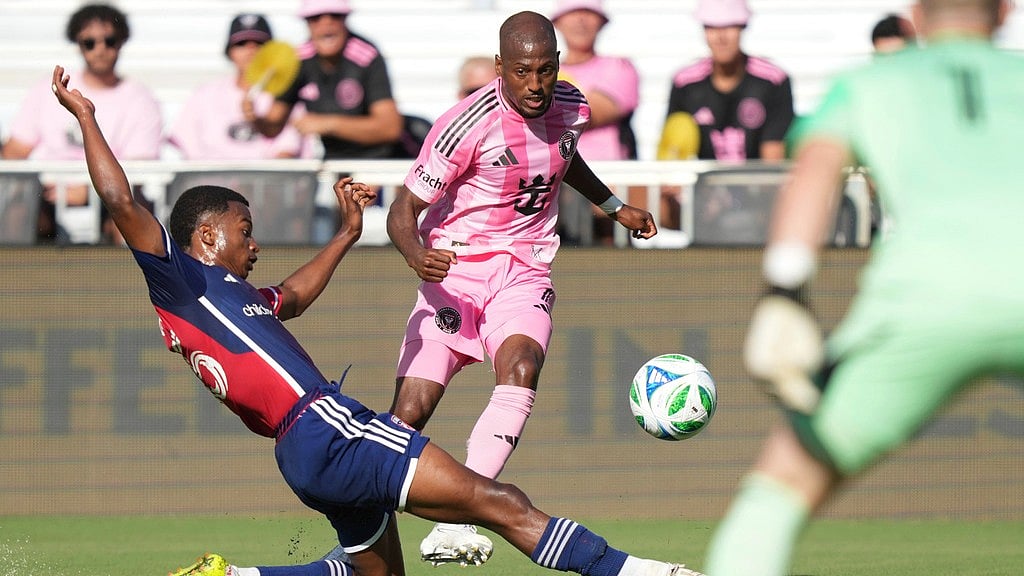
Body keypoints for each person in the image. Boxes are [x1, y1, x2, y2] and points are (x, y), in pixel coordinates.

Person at [51, 62, 698, 576]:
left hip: (301, 451)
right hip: (326, 425)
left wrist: (346, 234)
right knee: (496, 503)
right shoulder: (182, 280)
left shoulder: (227, 297)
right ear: (209, 236)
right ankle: (649, 573)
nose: (255, 245)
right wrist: (85, 117)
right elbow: (119, 198)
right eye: (245, 231)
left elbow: (294, 297)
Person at [705, 1, 1023, 575]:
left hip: (924, 302)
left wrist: (784, 291)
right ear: (1004, 12)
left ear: (917, 17)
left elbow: (815, 173)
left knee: (778, 492)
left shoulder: (868, 84)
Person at [386, 10, 658, 567]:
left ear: (557, 64)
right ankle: (359, 527)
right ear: (500, 68)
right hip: (455, 275)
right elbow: (403, 209)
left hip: (525, 270)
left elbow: (564, 159)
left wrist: (615, 206)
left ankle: (456, 521)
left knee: (522, 366)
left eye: (545, 70)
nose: (535, 86)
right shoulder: (465, 125)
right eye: (522, 73)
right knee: (408, 415)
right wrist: (417, 255)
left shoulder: (573, 106)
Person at [2, 3, 162, 243]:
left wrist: (87, 192)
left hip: (110, 196)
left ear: (121, 42)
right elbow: (14, 153)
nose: (100, 50)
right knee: (17, 211)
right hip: (47, 196)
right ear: (78, 44)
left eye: (109, 40)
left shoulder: (141, 99)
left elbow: (137, 170)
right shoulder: (44, 90)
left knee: (132, 213)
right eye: (89, 42)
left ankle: (129, 279)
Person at [244, 0, 402, 160]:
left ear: (345, 19)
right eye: (316, 18)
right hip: (334, 162)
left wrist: (329, 124)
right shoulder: (299, 61)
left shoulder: (366, 57)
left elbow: (389, 128)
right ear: (306, 23)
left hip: (378, 159)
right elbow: (273, 127)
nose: (326, 23)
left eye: (335, 16)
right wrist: (255, 118)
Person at [551, 0, 642, 244]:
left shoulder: (619, 67)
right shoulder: (544, 73)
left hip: (607, 199)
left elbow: (585, 113)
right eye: (573, 13)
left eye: (588, 13)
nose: (580, 20)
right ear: (558, 22)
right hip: (552, 195)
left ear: (601, 23)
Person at [662, 0, 794, 162]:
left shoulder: (772, 80)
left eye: (729, 26)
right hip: (703, 185)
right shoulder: (685, 83)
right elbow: (672, 157)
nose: (720, 37)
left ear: (743, 27)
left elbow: (773, 155)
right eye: (711, 27)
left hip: (758, 184)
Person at [167, 13, 307, 160]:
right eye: (241, 44)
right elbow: (188, 150)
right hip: (211, 179)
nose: (250, 50)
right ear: (230, 52)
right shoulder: (204, 94)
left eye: (259, 44)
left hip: (268, 181)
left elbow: (286, 153)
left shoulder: (287, 96)